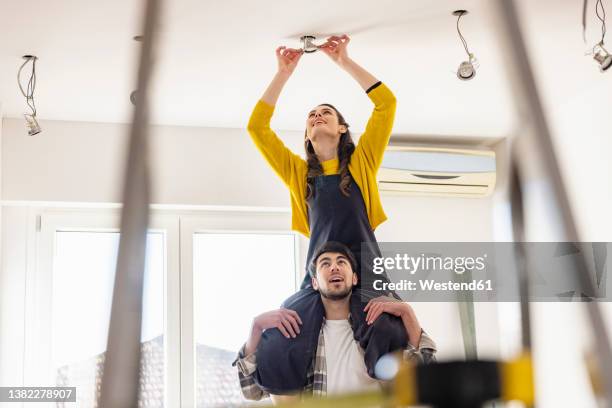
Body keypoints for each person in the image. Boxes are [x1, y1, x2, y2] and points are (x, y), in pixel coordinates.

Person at [247, 34, 406, 394]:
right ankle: (277, 388)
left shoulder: (362, 164)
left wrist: (344, 61)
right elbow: (257, 128)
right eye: (311, 116)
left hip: (366, 271)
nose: (318, 117)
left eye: (326, 113)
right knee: (287, 324)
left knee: (388, 330)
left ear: (342, 128)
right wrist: (283, 73)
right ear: (307, 134)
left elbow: (386, 104)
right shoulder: (298, 174)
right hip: (318, 275)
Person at [234, 242, 436, 403]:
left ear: (355, 278)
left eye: (341, 262)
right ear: (314, 283)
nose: (334, 267)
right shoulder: (298, 335)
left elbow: (425, 379)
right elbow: (252, 392)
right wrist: (256, 328)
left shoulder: (377, 329)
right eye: (325, 264)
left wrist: (407, 312)